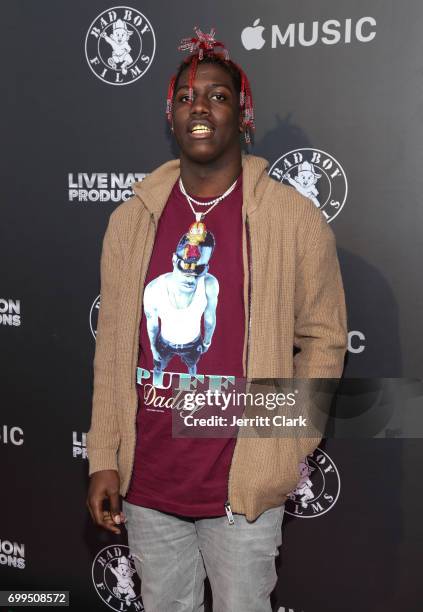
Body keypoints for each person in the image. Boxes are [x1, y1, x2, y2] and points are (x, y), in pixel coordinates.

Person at [86, 26, 347, 612]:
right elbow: (112, 353)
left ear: (242, 116)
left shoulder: (292, 221)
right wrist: (103, 455)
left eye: (217, 95)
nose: (199, 106)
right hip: (148, 485)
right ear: (172, 117)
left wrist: (289, 440)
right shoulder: (132, 222)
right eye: (186, 97)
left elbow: (326, 340)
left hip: (242, 491)